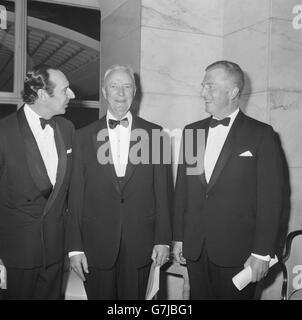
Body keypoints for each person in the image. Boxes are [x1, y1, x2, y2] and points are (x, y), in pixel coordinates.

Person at [173, 60, 283, 300]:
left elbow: (271, 200)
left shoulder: (261, 135)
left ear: (233, 92)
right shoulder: (192, 132)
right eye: (203, 86)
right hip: (196, 249)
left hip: (240, 255)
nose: (203, 92)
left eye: (210, 86)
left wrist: (262, 253)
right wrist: (180, 237)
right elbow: (184, 189)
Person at [65, 64, 172, 300]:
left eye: (126, 87)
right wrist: (74, 248)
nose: (120, 93)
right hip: (96, 246)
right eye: (114, 86)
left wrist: (163, 240)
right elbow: (75, 196)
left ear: (135, 92)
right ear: (104, 92)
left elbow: (163, 193)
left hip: (142, 246)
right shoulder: (82, 136)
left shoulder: (157, 135)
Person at [0, 65, 75, 300]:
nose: (72, 95)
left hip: (54, 253)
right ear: (43, 95)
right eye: (65, 90)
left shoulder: (67, 128)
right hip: (15, 255)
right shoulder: (3, 131)